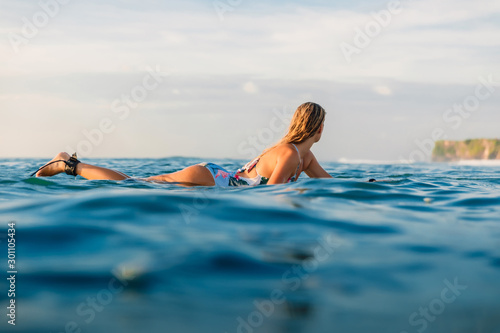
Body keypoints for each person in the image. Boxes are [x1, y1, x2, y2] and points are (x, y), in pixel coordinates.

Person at [32, 102, 333, 186]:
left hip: (217, 178)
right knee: (135, 183)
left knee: (139, 182)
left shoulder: (304, 157)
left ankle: (72, 165)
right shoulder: (290, 154)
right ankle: (71, 165)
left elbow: (330, 184)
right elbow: (271, 194)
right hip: (214, 179)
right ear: (318, 128)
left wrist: (378, 183)